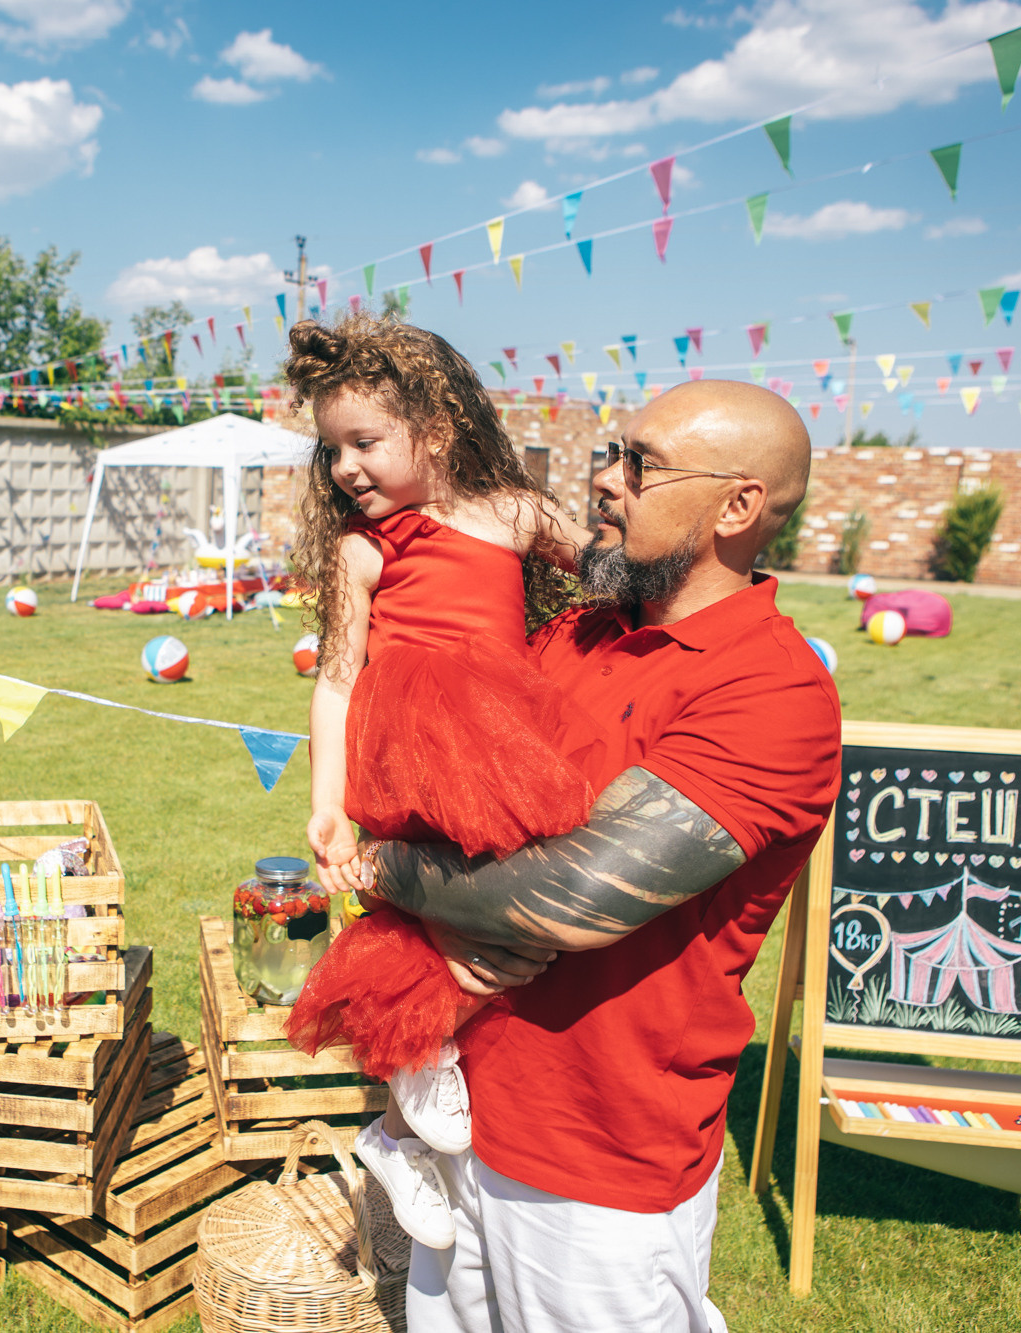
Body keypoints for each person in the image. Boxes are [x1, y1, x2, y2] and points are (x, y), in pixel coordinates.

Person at [325, 377, 841, 1333]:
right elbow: (439, 782)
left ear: (738, 506)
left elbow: (569, 897)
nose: (606, 481)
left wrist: (385, 872)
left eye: (640, 465)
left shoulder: (770, 691)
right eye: (612, 453)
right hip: (463, 1118)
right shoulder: (577, 631)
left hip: (596, 1166)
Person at [278, 314, 599, 1250]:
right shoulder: (363, 549)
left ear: (438, 429)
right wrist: (327, 801)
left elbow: (606, 571)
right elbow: (337, 677)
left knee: (519, 908)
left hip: (508, 736)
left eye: (364, 443)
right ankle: (410, 1090)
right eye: (332, 449)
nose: (344, 468)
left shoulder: (513, 510)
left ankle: (395, 1129)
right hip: (417, 740)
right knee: (429, 900)